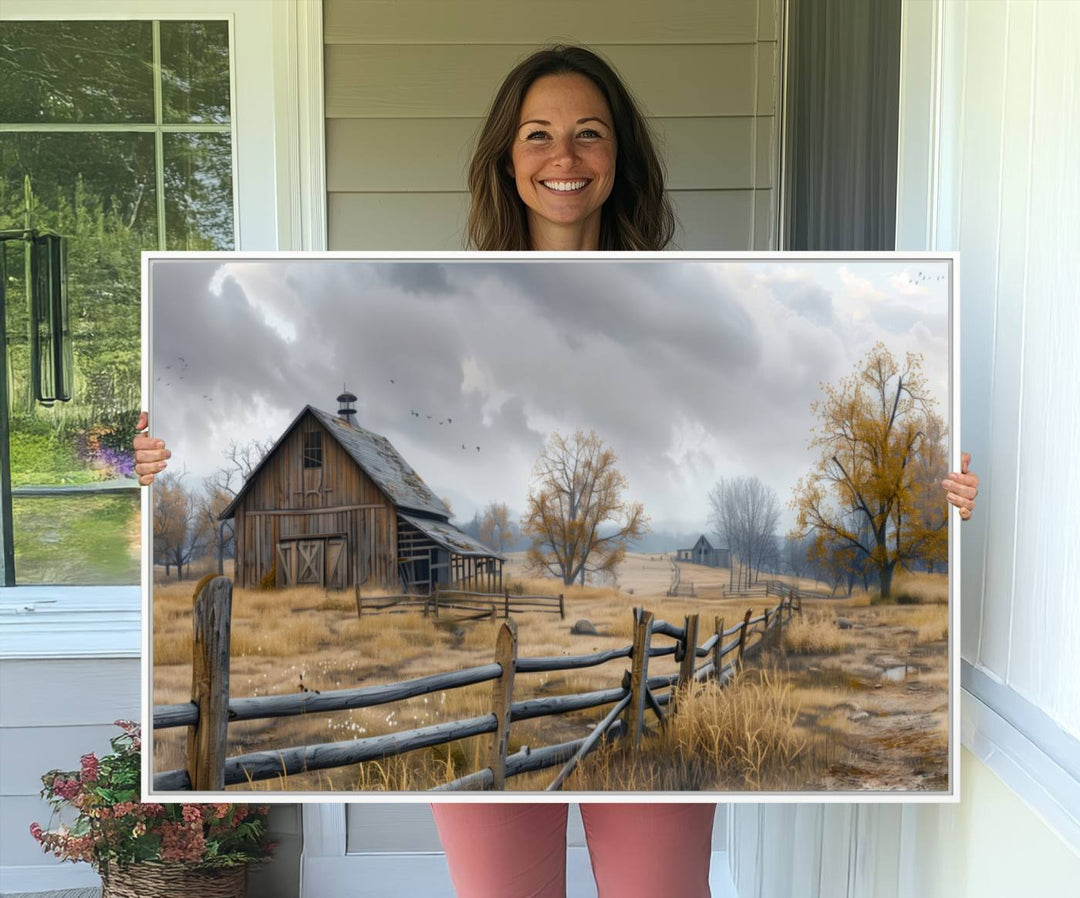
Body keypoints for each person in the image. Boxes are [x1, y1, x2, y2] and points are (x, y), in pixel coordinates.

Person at [134, 44, 978, 898]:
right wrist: (163, 465)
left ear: (620, 159)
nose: (563, 157)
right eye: (538, 135)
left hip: (634, 692)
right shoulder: (447, 305)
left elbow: (766, 429)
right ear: (508, 157)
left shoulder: (686, 304)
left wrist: (931, 502)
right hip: (476, 704)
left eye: (589, 134)